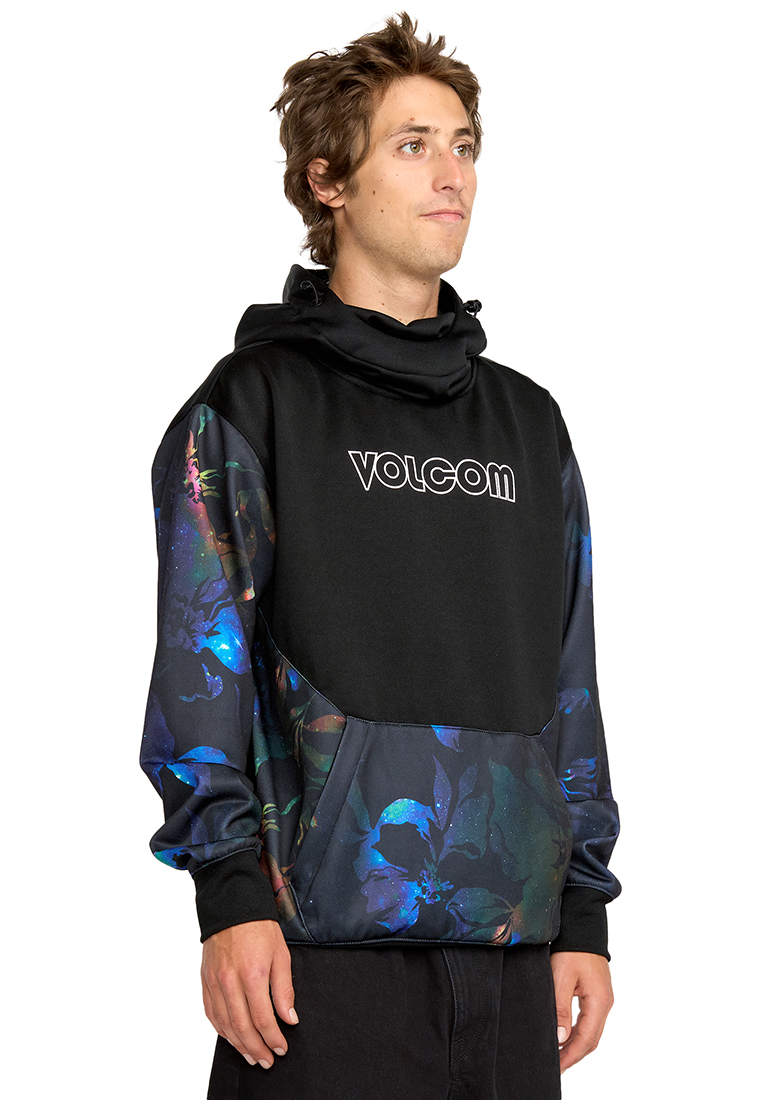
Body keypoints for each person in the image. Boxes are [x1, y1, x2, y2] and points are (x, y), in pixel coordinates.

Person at [141, 13, 620, 1099]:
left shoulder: (529, 425)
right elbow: (201, 667)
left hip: (515, 950)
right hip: (316, 960)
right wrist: (228, 897)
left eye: (464, 145)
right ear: (329, 182)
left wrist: (584, 910)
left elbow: (569, 677)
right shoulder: (255, 404)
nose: (453, 174)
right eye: (413, 145)